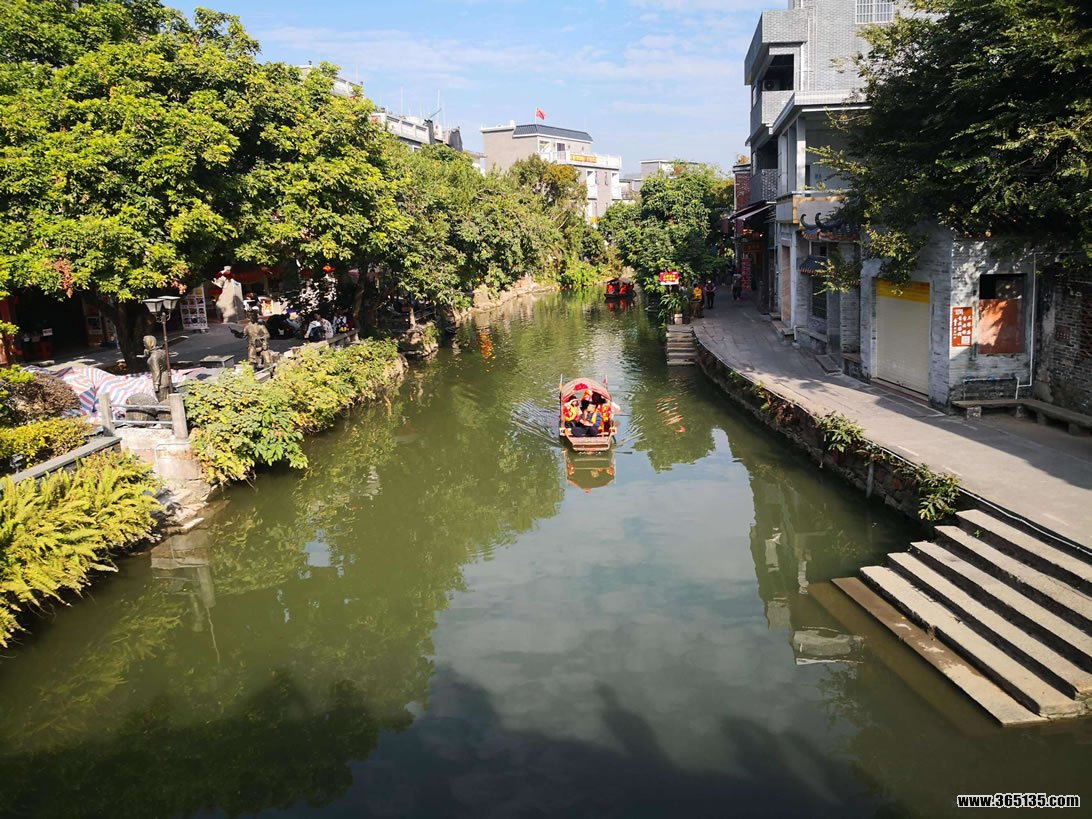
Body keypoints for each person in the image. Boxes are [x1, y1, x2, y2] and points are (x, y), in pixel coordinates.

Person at [143, 335, 170, 401]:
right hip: (167, 378)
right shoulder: (162, 352)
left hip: (160, 382)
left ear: (149, 343)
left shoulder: (154, 357)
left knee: (163, 401)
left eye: (145, 343)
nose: (144, 345)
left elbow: (156, 372)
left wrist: (156, 385)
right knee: (169, 399)